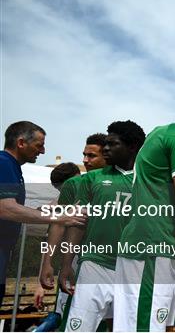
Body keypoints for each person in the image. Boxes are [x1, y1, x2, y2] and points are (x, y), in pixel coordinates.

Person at [114, 94, 175, 332]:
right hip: (154, 244)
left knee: (142, 324)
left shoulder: (158, 133)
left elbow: (170, 187)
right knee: (145, 326)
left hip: (150, 242)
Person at [60, 121, 145, 332]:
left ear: (132, 146)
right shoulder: (92, 179)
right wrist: (66, 264)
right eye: (105, 144)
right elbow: (77, 224)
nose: (105, 148)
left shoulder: (150, 180)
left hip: (134, 269)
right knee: (78, 328)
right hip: (95, 264)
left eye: (112, 144)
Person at [0, 121, 86, 306]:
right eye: (39, 145)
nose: (43, 151)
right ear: (21, 143)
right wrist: (59, 216)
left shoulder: (14, 169)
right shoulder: (3, 163)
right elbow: (6, 208)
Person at [39, 134, 107, 331]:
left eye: (91, 156)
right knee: (75, 320)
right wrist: (48, 262)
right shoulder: (76, 185)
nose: (85, 160)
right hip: (83, 262)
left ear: (107, 155)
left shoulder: (129, 182)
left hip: (120, 263)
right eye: (84, 155)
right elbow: (59, 224)